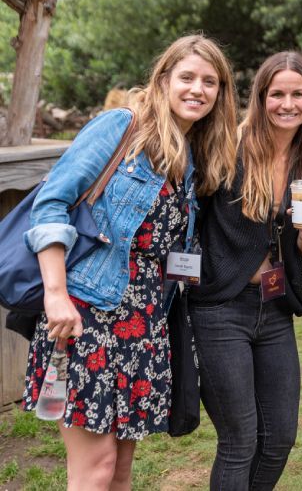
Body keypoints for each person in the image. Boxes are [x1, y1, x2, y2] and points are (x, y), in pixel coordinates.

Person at [21, 34, 238, 490]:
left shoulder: (189, 153)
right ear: (163, 80)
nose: (198, 89)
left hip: (143, 321)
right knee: (94, 467)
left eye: (210, 82)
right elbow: (50, 204)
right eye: (187, 77)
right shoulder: (121, 126)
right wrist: (56, 296)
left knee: (119, 471)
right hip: (85, 313)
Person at [188, 51, 302, 490]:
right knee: (239, 439)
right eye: (277, 93)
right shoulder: (229, 147)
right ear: (261, 97)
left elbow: (297, 258)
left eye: (298, 94)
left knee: (280, 437)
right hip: (220, 310)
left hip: (274, 309)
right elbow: (187, 213)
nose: (288, 103)